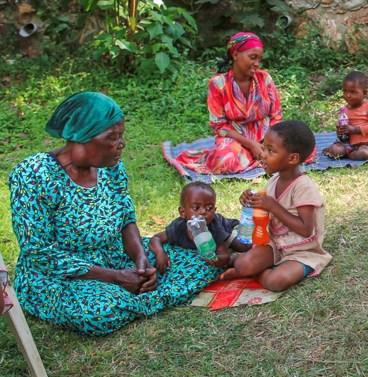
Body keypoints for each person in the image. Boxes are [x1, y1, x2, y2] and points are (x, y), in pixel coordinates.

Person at [8, 92, 221, 335]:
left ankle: (134, 294)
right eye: (113, 137)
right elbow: (39, 252)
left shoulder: (110, 168)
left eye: (121, 135)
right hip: (62, 274)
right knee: (100, 312)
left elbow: (126, 220)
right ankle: (131, 296)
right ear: (82, 137)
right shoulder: (33, 175)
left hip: (113, 255)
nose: (121, 144)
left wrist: (140, 260)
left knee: (201, 262)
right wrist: (117, 278)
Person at [222, 120, 332, 291]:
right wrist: (250, 201)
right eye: (263, 147)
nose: (262, 154)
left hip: (301, 252)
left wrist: (273, 206)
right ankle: (245, 268)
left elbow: (306, 229)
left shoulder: (303, 186)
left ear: (293, 158)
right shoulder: (273, 181)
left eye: (270, 151)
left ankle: (254, 272)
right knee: (244, 264)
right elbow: (264, 211)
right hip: (275, 245)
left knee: (276, 281)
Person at [174, 31, 283, 175]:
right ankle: (259, 158)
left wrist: (267, 144)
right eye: (253, 57)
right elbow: (219, 126)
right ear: (236, 55)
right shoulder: (218, 84)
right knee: (225, 161)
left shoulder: (265, 79)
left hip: (267, 136)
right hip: (237, 139)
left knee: (299, 149)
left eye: (259, 59)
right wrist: (250, 144)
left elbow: (276, 116)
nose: (257, 63)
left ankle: (260, 156)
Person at [148, 182, 251, 273]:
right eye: (196, 208)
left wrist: (217, 260)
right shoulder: (178, 227)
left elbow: (224, 255)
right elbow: (156, 238)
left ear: (214, 211)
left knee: (242, 246)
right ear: (183, 212)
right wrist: (160, 253)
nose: (203, 212)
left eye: (209, 208)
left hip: (226, 227)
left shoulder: (213, 228)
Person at [321, 71, 368, 161]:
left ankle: (349, 155)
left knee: (364, 153)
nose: (348, 95)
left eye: (353, 92)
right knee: (336, 150)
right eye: (345, 91)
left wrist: (355, 129)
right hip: (349, 144)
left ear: (364, 93)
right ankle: (341, 151)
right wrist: (341, 133)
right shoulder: (344, 110)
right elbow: (344, 132)